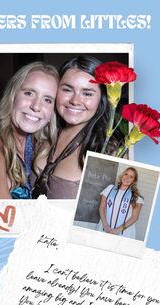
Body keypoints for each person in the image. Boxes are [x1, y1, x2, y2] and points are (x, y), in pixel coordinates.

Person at [32, 55, 111, 199]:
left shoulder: (108, 150)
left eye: (87, 93)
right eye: (67, 90)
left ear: (101, 100)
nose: (75, 101)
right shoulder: (40, 130)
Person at [0, 61, 58, 199]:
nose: (36, 106)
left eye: (47, 100)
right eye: (29, 93)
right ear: (12, 95)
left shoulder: (37, 143)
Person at [98, 167, 144, 239]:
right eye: (126, 174)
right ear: (122, 175)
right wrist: (105, 225)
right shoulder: (110, 188)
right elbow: (102, 207)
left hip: (124, 232)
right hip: (105, 227)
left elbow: (135, 217)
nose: (127, 177)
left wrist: (118, 230)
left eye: (131, 177)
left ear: (134, 181)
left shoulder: (136, 197)